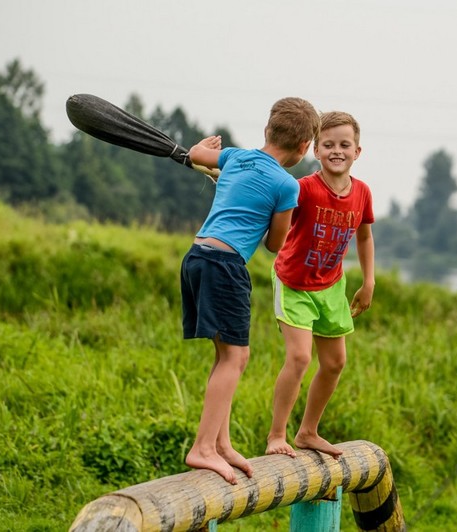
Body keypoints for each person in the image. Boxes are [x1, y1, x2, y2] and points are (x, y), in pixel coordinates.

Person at [181, 97, 320, 484]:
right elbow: (275, 244)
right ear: (305, 147)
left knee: (225, 353)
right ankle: (203, 448)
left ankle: (221, 443)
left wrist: (207, 150)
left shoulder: (235, 158)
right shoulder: (286, 185)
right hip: (225, 266)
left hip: (196, 257)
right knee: (236, 358)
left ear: (266, 131)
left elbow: (196, 154)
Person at [266, 111, 375, 459]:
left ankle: (308, 432)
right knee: (299, 358)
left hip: (331, 285)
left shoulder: (362, 193)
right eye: (328, 144)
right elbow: (275, 217)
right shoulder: (303, 189)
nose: (337, 151)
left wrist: (368, 280)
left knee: (334, 363)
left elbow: (365, 237)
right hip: (294, 282)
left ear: (358, 151)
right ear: (316, 149)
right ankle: (276, 436)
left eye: (345, 144)